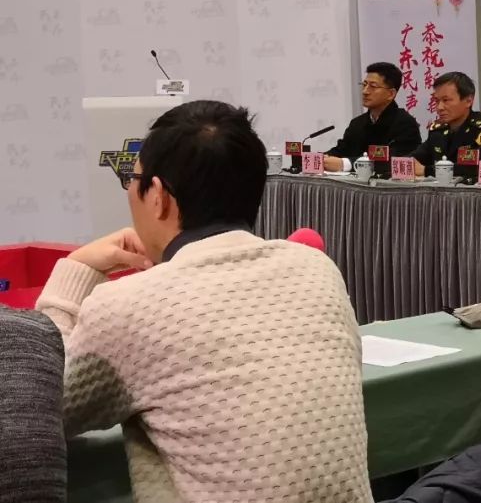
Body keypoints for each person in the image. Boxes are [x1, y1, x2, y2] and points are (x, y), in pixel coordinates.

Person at [35, 101, 374, 503]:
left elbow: (32, 408)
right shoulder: (316, 269)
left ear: (158, 196)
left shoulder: (128, 305)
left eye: (133, 177)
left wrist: (75, 270)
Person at [324, 61, 422, 172]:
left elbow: (394, 161)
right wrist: (321, 159)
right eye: (364, 85)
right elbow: (341, 150)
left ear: (391, 94)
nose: (365, 91)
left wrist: (346, 164)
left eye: (373, 86)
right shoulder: (357, 123)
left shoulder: (405, 124)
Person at [412, 71, 481, 177]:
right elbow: (416, 157)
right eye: (436, 101)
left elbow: (479, 169)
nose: (439, 107)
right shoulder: (438, 131)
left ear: (468, 101)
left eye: (446, 100)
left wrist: (427, 171)